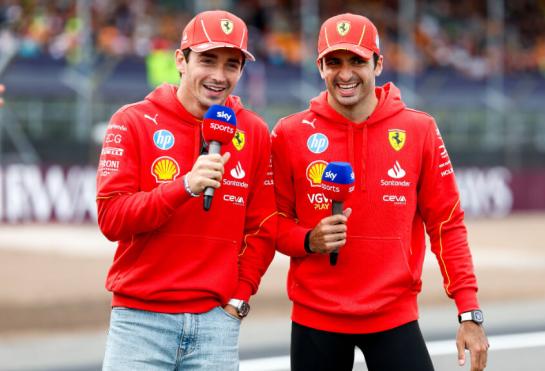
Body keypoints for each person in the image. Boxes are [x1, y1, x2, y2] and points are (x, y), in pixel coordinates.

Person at [271, 13, 489, 371]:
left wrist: (469, 311)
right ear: (319, 66)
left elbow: (447, 225)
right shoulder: (289, 133)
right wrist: (309, 239)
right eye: (334, 62)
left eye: (357, 60)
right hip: (316, 318)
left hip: (393, 317)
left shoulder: (419, 130)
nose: (345, 73)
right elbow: (272, 223)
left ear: (379, 63)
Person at [96, 10, 276, 370]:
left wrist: (238, 299)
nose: (219, 76)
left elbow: (263, 228)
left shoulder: (253, 132)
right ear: (181, 60)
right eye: (208, 60)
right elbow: (111, 219)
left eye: (232, 65)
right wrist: (184, 187)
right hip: (140, 321)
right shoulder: (132, 121)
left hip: (216, 324)